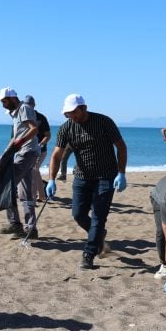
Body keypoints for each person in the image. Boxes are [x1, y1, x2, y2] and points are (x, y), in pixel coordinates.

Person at [46, 94, 128, 269]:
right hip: (82, 176)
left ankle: (89, 254)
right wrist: (51, 179)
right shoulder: (66, 128)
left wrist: (121, 173)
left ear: (83, 108)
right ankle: (98, 235)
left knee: (98, 217)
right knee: (78, 214)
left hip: (106, 176)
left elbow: (121, 146)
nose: (71, 116)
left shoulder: (104, 122)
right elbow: (56, 155)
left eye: (73, 112)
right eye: (67, 113)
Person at [0, 87, 40, 239]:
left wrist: (21, 142)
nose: (3, 104)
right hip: (24, 153)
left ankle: (15, 223)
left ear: (13, 98)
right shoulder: (15, 114)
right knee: (25, 192)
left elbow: (33, 129)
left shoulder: (24, 108)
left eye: (4, 101)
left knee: (6, 184)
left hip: (27, 152)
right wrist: (5, 154)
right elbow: (15, 137)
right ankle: (31, 228)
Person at [24, 95, 51, 203]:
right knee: (35, 171)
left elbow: (48, 135)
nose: (27, 108)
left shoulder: (41, 118)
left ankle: (33, 198)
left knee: (34, 169)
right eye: (25, 105)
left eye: (29, 105)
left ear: (34, 105)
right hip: (27, 150)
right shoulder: (23, 117)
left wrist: (40, 145)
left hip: (41, 150)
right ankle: (42, 195)